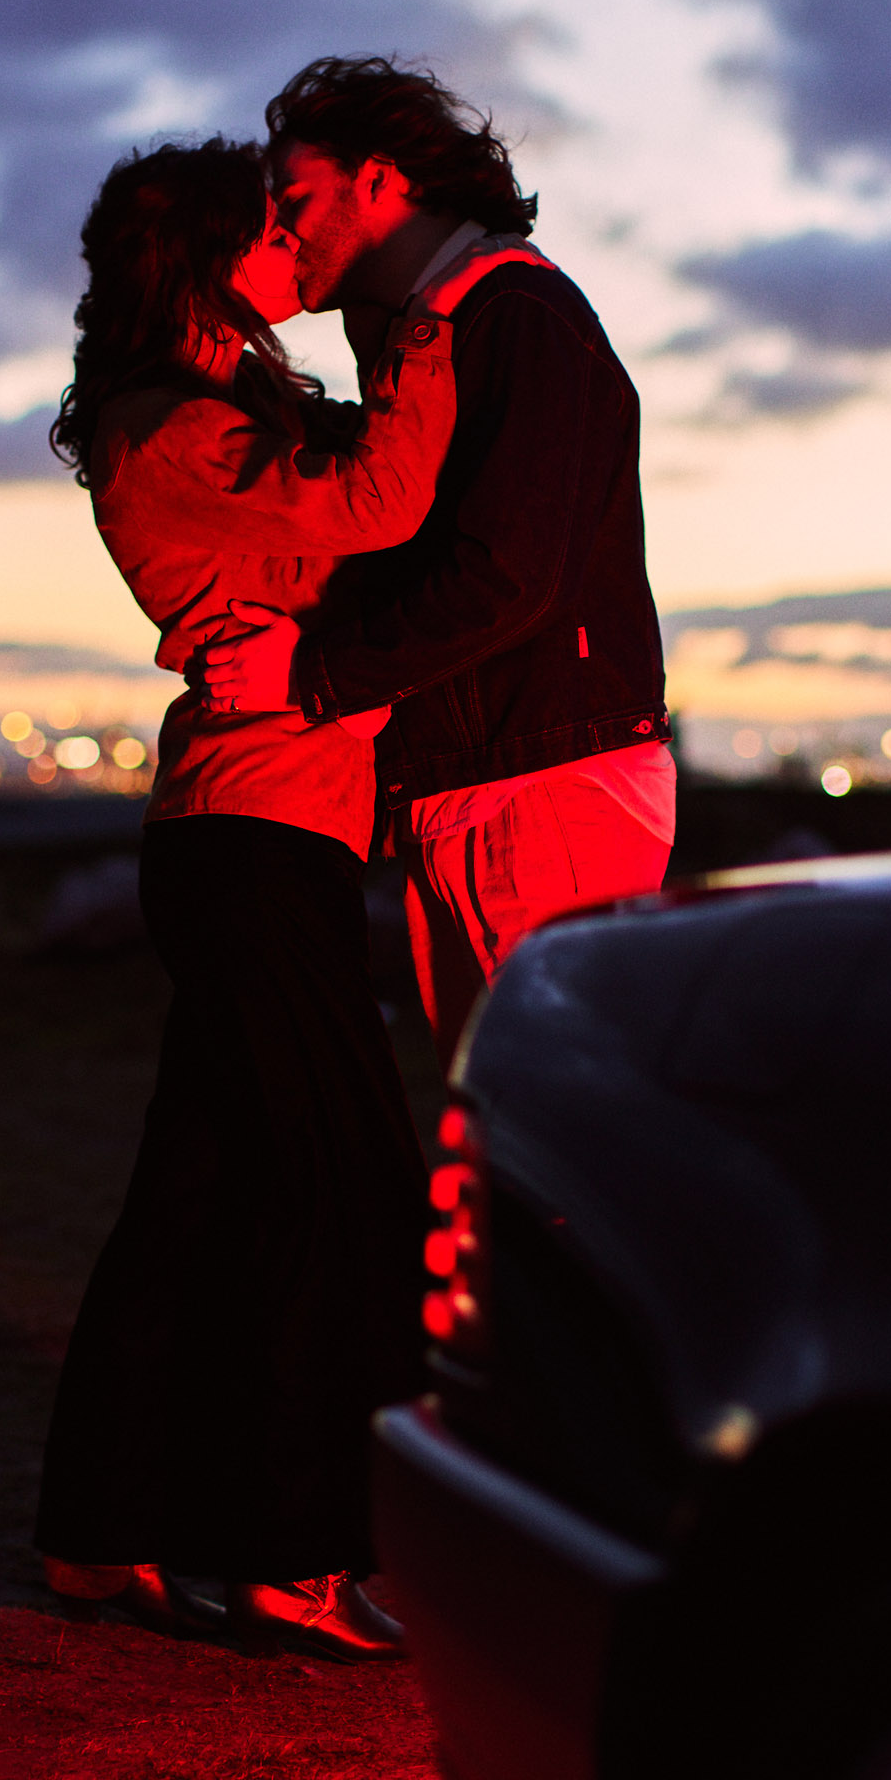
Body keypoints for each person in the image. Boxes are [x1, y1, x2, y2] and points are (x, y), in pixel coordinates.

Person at [36, 137, 459, 1661]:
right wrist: (426, 318)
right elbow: (388, 500)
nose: (297, 239)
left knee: (201, 1192)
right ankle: (287, 1552)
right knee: (336, 1185)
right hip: (252, 840)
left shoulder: (224, 410)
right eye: (272, 226)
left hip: (267, 834)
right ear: (209, 257)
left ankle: (102, 1530)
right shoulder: (172, 432)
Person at [193, 57, 674, 1071]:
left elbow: (508, 575)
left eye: (296, 200)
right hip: (499, 777)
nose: (278, 231)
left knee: (551, 1127)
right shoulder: (448, 325)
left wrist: (308, 674)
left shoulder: (513, 316)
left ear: (381, 180)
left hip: (540, 789)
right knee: (510, 1124)